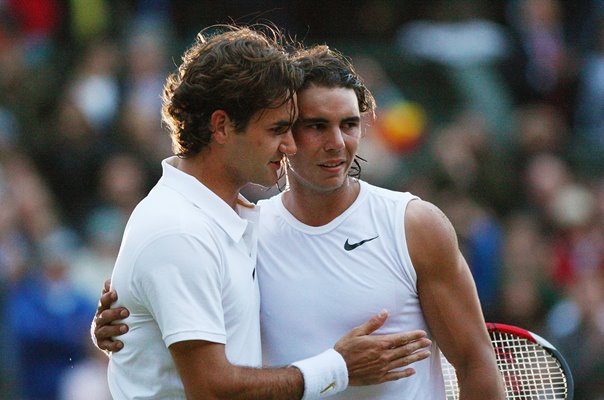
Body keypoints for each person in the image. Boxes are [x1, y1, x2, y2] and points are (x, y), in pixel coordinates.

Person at [94, 41, 504, 399]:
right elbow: (207, 377)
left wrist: (129, 327)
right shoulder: (239, 228)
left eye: (349, 124)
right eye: (312, 126)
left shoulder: (414, 225)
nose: (337, 143)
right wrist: (132, 328)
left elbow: (476, 364)